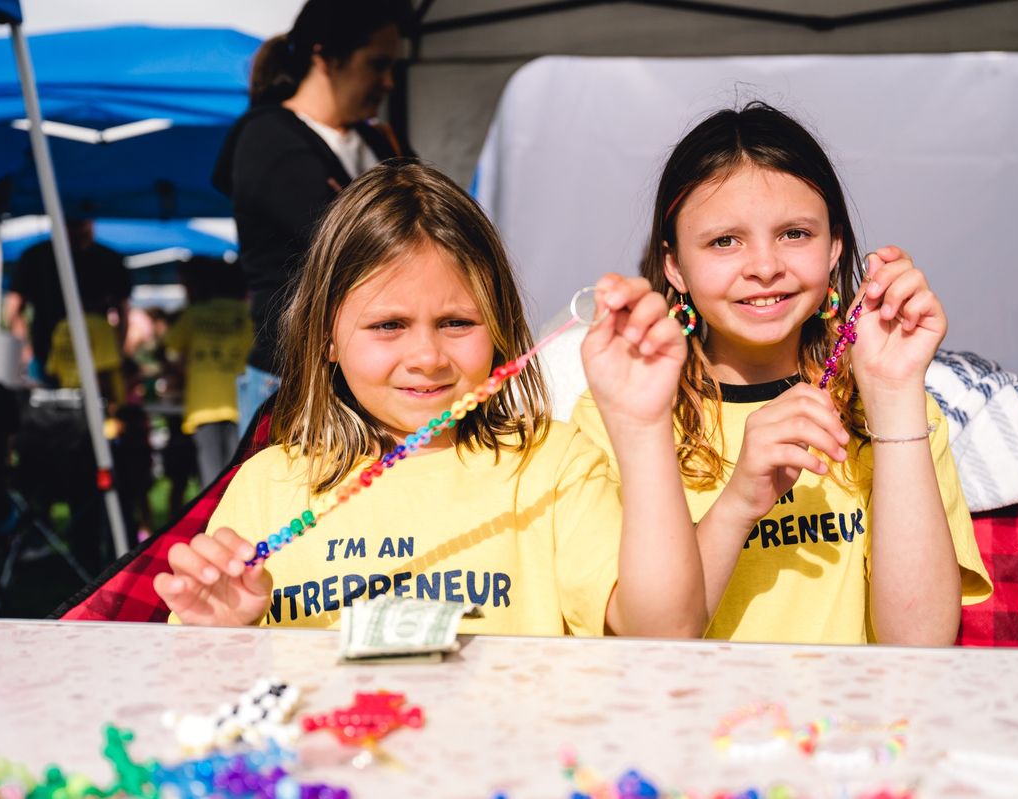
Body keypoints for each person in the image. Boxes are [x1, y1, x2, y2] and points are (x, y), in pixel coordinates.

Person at [154, 162, 705, 638]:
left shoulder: (553, 466)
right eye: (389, 325)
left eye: (457, 323)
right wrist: (226, 638)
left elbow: (666, 631)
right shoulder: (266, 484)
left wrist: (643, 425)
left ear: (500, 329)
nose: (427, 356)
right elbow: (203, 682)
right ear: (325, 336)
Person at [571, 103, 992, 646]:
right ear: (674, 265)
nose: (765, 266)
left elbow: (920, 644)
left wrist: (892, 394)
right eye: (725, 240)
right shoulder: (616, 417)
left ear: (835, 244)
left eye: (795, 234)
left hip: (850, 728)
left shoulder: (886, 405)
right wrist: (741, 499)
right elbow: (646, 640)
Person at [212, 0, 415, 434]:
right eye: (377, 65)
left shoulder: (374, 141)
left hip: (374, 379)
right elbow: (355, 247)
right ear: (324, 55)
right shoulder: (268, 138)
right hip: (295, 382)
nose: (387, 82)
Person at [4, 218, 130, 384]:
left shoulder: (109, 259)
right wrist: (26, 351)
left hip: (98, 362)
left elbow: (123, 310)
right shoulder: (35, 257)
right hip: (46, 358)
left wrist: (117, 349)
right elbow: (13, 307)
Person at [165, 258, 253, 487]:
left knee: (211, 482)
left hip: (203, 404)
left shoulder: (194, 314)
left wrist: (181, 370)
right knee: (238, 478)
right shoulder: (245, 314)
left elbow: (169, 351)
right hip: (240, 404)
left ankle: (214, 523)